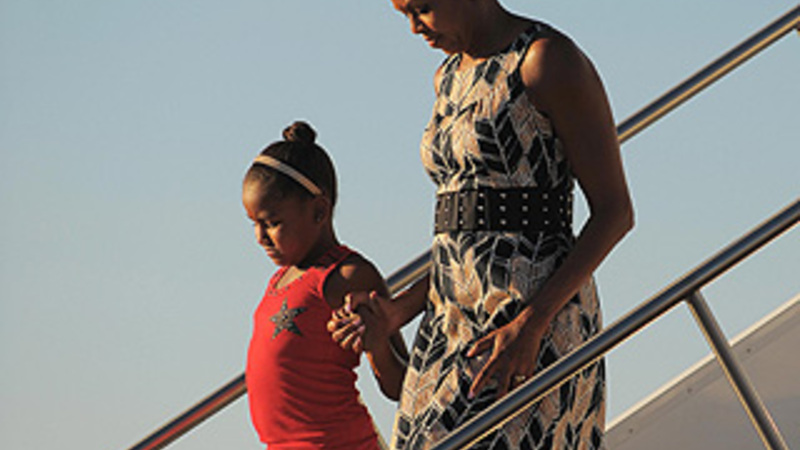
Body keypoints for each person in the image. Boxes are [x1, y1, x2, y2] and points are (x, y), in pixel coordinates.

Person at [329, 1, 634, 449]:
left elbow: (615, 212)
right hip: (447, 323)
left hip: (528, 322)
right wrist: (397, 312)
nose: (414, 27)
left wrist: (531, 324)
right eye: (403, 14)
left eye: (422, 8)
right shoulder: (447, 77)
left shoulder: (545, 60)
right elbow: (466, 239)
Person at [243, 121, 408, 450]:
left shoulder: (347, 276)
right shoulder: (279, 280)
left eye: (272, 223)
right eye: (254, 224)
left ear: (319, 210)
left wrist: (376, 344)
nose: (260, 237)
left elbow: (401, 385)